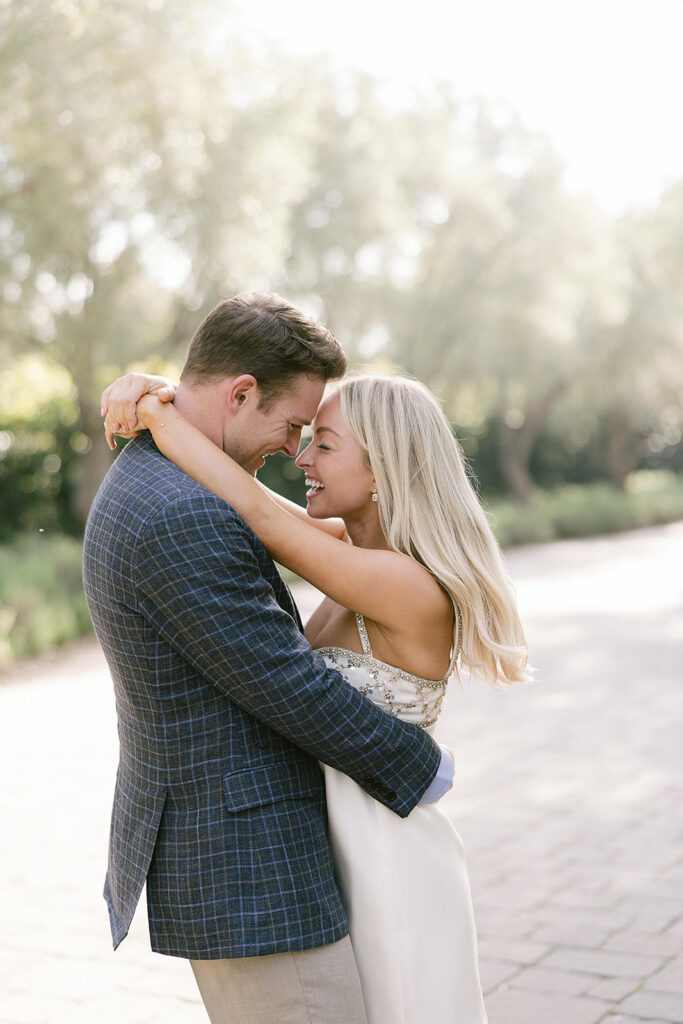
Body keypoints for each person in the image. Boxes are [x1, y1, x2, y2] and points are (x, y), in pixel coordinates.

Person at [102, 362, 531, 1023]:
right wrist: (174, 395)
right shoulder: (350, 546)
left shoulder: (402, 583)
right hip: (339, 830)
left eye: (324, 444)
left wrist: (162, 416)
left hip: (386, 846)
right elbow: (263, 506)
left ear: (384, 469)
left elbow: (251, 510)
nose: (301, 456)